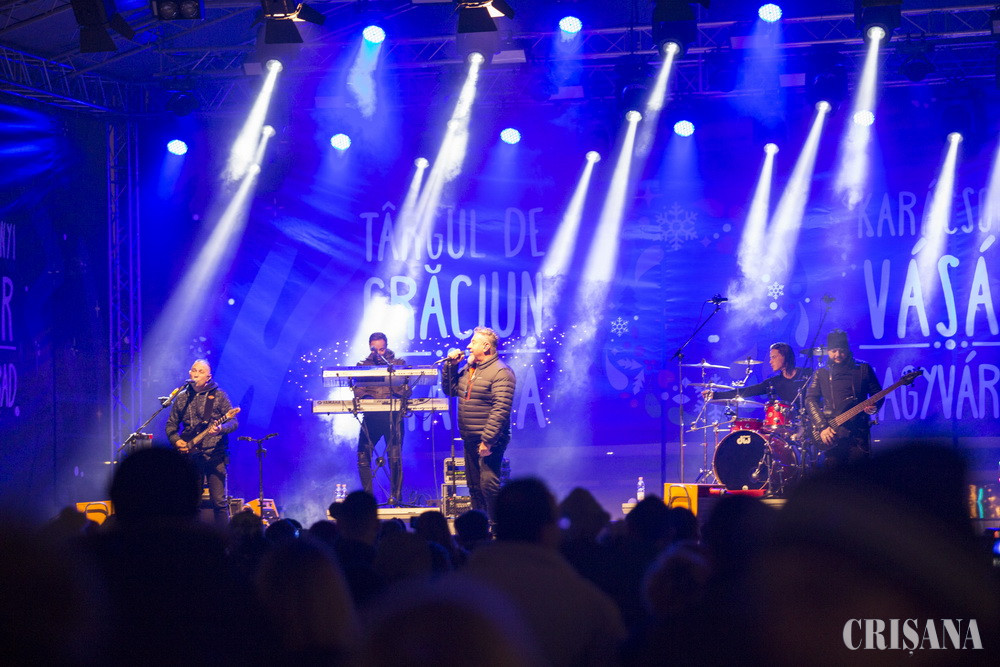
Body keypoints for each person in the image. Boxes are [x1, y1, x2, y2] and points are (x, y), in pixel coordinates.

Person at [440, 327, 515, 522]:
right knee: (473, 486)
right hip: (470, 437)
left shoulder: (501, 372)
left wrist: (487, 441)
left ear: (486, 346)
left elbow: (501, 409)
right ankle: (481, 526)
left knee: (488, 485)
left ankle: (498, 526)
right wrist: (451, 367)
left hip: (490, 439)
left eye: (473, 342)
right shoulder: (471, 368)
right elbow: (450, 389)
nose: (468, 346)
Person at [165, 359, 238, 527]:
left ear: (208, 377)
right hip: (190, 455)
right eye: (194, 370)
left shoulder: (219, 395)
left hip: (215, 454)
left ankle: (224, 538)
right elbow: (171, 425)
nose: (196, 374)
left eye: (201, 371)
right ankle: (193, 539)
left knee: (219, 502)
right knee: (192, 503)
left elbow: (233, 422)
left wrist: (220, 429)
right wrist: (176, 441)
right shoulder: (181, 397)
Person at [804, 330, 883, 466]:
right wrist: (822, 426)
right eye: (833, 351)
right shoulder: (821, 372)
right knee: (834, 475)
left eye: (841, 350)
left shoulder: (863, 368)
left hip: (858, 431)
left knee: (860, 473)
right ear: (828, 351)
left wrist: (874, 407)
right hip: (832, 431)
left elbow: (878, 394)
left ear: (847, 349)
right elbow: (810, 399)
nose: (837, 355)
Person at [355, 332, 407, 505]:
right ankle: (368, 501)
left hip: (393, 419)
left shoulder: (399, 364)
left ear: (386, 347)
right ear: (370, 348)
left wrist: (394, 396)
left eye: (381, 349)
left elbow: (407, 388)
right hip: (371, 418)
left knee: (395, 458)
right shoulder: (362, 366)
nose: (378, 353)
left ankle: (396, 499)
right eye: (374, 350)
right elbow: (356, 387)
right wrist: (368, 399)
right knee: (363, 456)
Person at [702, 342, 810, 406]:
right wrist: (715, 395)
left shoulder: (807, 374)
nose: (770, 361)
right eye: (770, 358)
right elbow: (746, 391)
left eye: (774, 357)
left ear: (785, 356)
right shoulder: (774, 382)